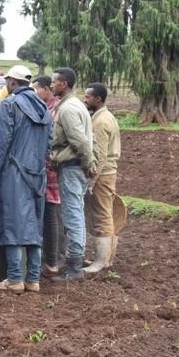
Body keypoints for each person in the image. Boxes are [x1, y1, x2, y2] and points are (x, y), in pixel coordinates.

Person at [0, 65, 52, 294]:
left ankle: (15, 278)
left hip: (14, 172)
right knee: (34, 225)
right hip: (38, 173)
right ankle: (33, 279)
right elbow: (49, 144)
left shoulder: (10, 105)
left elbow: (0, 143)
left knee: (12, 223)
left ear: (13, 83)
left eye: (8, 82)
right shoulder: (44, 107)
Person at [50, 67, 94, 282]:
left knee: (73, 215)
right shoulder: (76, 105)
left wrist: (89, 164)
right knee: (76, 212)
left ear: (64, 83)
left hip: (72, 167)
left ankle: (74, 265)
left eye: (54, 82)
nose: (51, 85)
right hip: (77, 167)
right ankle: (74, 262)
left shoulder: (67, 110)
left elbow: (81, 141)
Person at [83, 83, 122, 274]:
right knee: (105, 213)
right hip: (108, 173)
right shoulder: (106, 117)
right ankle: (106, 259)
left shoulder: (100, 122)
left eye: (88, 97)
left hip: (103, 175)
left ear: (98, 99)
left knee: (102, 216)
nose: (85, 100)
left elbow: (99, 156)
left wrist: (92, 181)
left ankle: (101, 261)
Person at [32, 76, 64, 274]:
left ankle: (52, 261)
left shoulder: (55, 109)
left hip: (52, 170)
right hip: (48, 169)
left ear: (45, 89)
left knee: (52, 215)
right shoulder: (48, 107)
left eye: (36, 89)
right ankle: (52, 257)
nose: (34, 93)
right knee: (49, 216)